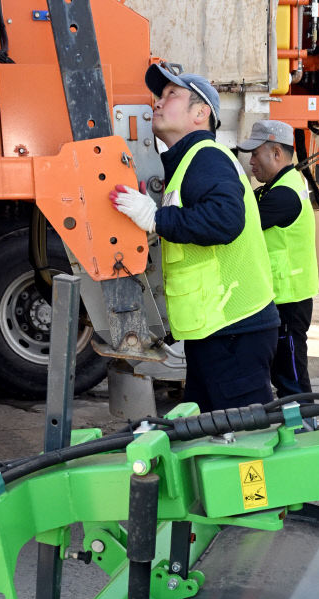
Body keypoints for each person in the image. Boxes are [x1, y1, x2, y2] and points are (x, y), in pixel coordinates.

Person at [110, 63, 279, 412]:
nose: (158, 102)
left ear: (201, 112)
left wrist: (156, 218)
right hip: (217, 329)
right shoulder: (188, 162)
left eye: (171, 95)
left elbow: (225, 220)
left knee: (243, 442)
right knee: (209, 434)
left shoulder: (207, 157)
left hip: (235, 327)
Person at [237, 120, 319, 398]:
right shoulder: (277, 187)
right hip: (280, 296)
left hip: (289, 298)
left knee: (291, 374)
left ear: (276, 154)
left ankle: (305, 421)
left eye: (255, 154)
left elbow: (239, 225)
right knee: (281, 369)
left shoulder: (284, 195)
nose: (251, 162)